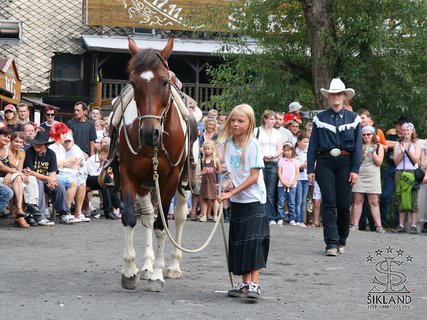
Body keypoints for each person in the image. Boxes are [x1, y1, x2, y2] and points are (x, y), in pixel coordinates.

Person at [217, 103, 269, 300]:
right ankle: (245, 284)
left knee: (254, 242)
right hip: (239, 200)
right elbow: (234, 173)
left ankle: (255, 284)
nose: (236, 124)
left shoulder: (253, 145)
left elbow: (254, 177)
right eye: (233, 120)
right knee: (240, 241)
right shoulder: (227, 145)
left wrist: (231, 193)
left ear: (249, 123)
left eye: (241, 120)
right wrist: (228, 187)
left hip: (255, 200)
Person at [307, 78, 362, 256]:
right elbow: (313, 145)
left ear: (344, 96)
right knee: (329, 202)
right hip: (325, 162)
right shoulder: (320, 118)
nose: (336, 97)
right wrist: (310, 168)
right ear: (329, 97)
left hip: (345, 163)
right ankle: (331, 243)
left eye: (339, 93)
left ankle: (342, 239)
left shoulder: (354, 118)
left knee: (343, 204)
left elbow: (358, 147)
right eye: (333, 94)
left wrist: (355, 169)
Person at [24, 130, 74, 225]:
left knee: (59, 185)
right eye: (35, 143)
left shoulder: (51, 154)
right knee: (38, 183)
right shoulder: (29, 152)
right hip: (31, 181)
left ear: (46, 145)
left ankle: (64, 214)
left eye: (40, 144)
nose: (37, 146)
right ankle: (40, 216)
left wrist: (52, 182)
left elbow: (52, 172)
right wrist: (48, 179)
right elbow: (29, 173)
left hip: (45, 179)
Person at [49, 124, 89, 222]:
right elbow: (53, 165)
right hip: (51, 174)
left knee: (82, 182)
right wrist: (68, 160)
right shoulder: (52, 146)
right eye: (64, 134)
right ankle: (65, 212)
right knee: (73, 182)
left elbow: (62, 165)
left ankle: (78, 212)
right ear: (60, 134)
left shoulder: (61, 148)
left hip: (61, 172)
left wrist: (72, 163)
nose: (66, 137)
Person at [349, 126, 385, 234]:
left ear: (373, 135)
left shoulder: (378, 146)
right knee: (357, 200)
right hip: (360, 173)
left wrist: (373, 152)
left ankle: (379, 226)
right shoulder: (358, 146)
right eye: (364, 135)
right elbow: (356, 161)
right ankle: (354, 224)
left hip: (373, 175)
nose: (366, 136)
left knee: (374, 201)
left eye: (368, 134)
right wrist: (363, 153)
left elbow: (379, 162)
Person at [392, 122, 422, 234]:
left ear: (412, 131)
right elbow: (396, 161)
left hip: (412, 172)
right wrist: (402, 151)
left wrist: (408, 150)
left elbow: (416, 160)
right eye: (404, 130)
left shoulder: (416, 143)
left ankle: (413, 225)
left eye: (408, 130)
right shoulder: (397, 144)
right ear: (401, 132)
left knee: (413, 197)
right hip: (400, 171)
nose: (406, 132)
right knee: (400, 197)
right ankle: (401, 224)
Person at [8, 131, 43, 226]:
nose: (18, 144)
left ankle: (31, 205)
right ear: (11, 141)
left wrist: (23, 174)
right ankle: (19, 209)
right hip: (6, 175)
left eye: (20, 142)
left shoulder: (22, 152)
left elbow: (18, 168)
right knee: (19, 177)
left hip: (15, 175)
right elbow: (12, 168)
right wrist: (20, 174)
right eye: (16, 141)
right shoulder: (7, 150)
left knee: (31, 177)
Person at [255, 110, 283, 225]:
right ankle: (259, 215)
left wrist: (272, 155)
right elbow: (253, 146)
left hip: (272, 163)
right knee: (259, 189)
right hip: (260, 163)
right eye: (271, 119)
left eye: (274, 119)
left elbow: (280, 148)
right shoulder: (257, 131)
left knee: (270, 191)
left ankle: (270, 216)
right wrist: (262, 156)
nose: (273, 121)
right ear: (265, 119)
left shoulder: (277, 133)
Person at [380, 116, 408, 227]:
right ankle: (380, 222)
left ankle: (399, 224)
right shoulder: (391, 135)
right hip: (391, 168)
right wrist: (397, 143)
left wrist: (396, 144)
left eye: (402, 125)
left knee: (400, 197)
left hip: (404, 169)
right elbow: (384, 143)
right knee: (385, 196)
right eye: (399, 124)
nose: (400, 127)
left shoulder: (409, 137)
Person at [85, 145, 123, 220]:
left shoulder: (105, 161)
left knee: (105, 185)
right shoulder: (92, 159)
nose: (108, 158)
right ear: (102, 153)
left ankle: (108, 211)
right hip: (88, 179)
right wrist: (103, 172)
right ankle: (117, 203)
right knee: (107, 179)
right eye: (107, 155)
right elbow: (92, 173)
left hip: (100, 181)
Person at [197, 140, 221, 222]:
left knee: (214, 199)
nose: (207, 150)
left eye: (208, 149)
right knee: (204, 199)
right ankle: (203, 215)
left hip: (212, 183)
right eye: (205, 149)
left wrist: (212, 171)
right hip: (204, 183)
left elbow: (219, 171)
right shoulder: (203, 160)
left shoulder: (215, 160)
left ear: (212, 149)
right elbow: (203, 171)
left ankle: (215, 215)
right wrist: (198, 174)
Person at [277, 143, 300, 226]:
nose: (286, 152)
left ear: (292, 151)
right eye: (285, 151)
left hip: (292, 185)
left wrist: (292, 182)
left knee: (291, 202)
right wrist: (283, 182)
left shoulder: (296, 161)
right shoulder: (281, 161)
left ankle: (292, 219)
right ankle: (280, 218)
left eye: (288, 150)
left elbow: (297, 173)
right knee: (281, 202)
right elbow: (279, 172)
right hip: (282, 184)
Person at [295, 133, 310, 227]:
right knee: (298, 199)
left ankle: (302, 220)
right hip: (298, 178)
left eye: (307, 142)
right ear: (299, 142)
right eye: (304, 142)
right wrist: (301, 165)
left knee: (304, 200)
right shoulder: (295, 152)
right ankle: (297, 219)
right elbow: (293, 164)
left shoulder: (308, 152)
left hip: (306, 177)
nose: (306, 144)